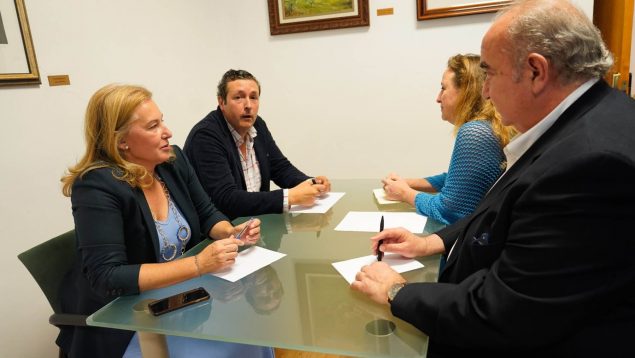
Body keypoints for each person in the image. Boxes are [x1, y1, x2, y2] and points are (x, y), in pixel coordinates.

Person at [352, 0, 635, 356]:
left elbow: (505, 313)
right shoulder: (586, 122)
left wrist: (397, 291)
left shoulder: (590, 163)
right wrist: (432, 242)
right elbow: (499, 205)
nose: (485, 91)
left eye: (491, 74)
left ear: (535, 71)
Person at [58, 84, 273, 358]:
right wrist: (198, 263)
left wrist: (230, 230)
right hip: (128, 318)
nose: (167, 132)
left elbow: (207, 213)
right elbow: (107, 276)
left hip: (182, 300)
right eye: (152, 126)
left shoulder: (172, 160)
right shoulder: (96, 186)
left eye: (162, 121)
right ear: (121, 140)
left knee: (252, 331)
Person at [382, 54, 514, 225]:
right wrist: (408, 183)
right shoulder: (488, 127)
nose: (438, 98)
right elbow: (458, 178)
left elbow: (449, 210)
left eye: (443, 88)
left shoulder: (475, 132)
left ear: (466, 92)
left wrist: (405, 193)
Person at [184, 69, 331, 220]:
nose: (248, 105)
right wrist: (289, 197)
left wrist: (310, 183)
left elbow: (280, 168)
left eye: (253, 97)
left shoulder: (257, 125)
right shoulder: (205, 137)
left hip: (255, 225)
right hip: (221, 233)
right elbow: (226, 200)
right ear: (222, 102)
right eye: (238, 97)